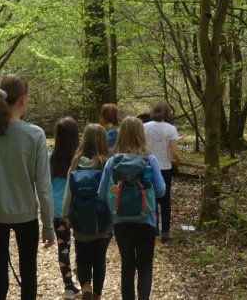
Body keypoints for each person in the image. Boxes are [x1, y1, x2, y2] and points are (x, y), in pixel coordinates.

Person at [0, 74, 55, 300]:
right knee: (28, 275)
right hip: (26, 215)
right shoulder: (35, 134)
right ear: (23, 100)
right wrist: (48, 226)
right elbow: (44, 186)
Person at [98, 117, 166, 300]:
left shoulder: (113, 162)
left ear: (121, 135)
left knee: (127, 265)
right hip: (146, 220)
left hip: (121, 221)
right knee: (145, 265)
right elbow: (161, 191)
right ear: (141, 135)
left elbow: (102, 194)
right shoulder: (150, 160)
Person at [62, 124, 112, 300]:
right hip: (103, 220)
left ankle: (85, 286)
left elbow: (69, 192)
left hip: (80, 218)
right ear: (103, 140)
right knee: (100, 259)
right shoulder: (107, 162)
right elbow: (112, 192)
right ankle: (97, 295)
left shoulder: (76, 162)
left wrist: (66, 215)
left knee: (82, 257)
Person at [50, 117, 80, 299]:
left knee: (63, 248)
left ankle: (69, 286)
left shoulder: (51, 158)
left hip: (58, 210)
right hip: (77, 208)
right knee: (82, 244)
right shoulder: (80, 158)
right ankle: (82, 275)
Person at [143, 102, 179, 243]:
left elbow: (141, 147)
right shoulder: (171, 129)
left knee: (150, 197)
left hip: (148, 167)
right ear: (167, 113)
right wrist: (178, 159)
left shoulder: (144, 127)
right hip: (164, 168)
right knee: (165, 200)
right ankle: (166, 233)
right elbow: (174, 152)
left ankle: (152, 229)